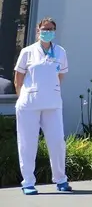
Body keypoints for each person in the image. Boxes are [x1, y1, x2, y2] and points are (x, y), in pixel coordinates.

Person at [14, 17, 70, 195]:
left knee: (57, 142)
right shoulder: (28, 51)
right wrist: (22, 96)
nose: (47, 31)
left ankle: (61, 179)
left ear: (55, 31)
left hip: (52, 104)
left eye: (51, 29)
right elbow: (18, 77)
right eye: (44, 29)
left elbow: (60, 76)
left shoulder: (60, 52)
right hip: (29, 104)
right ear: (38, 30)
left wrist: (51, 90)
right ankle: (28, 182)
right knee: (27, 143)